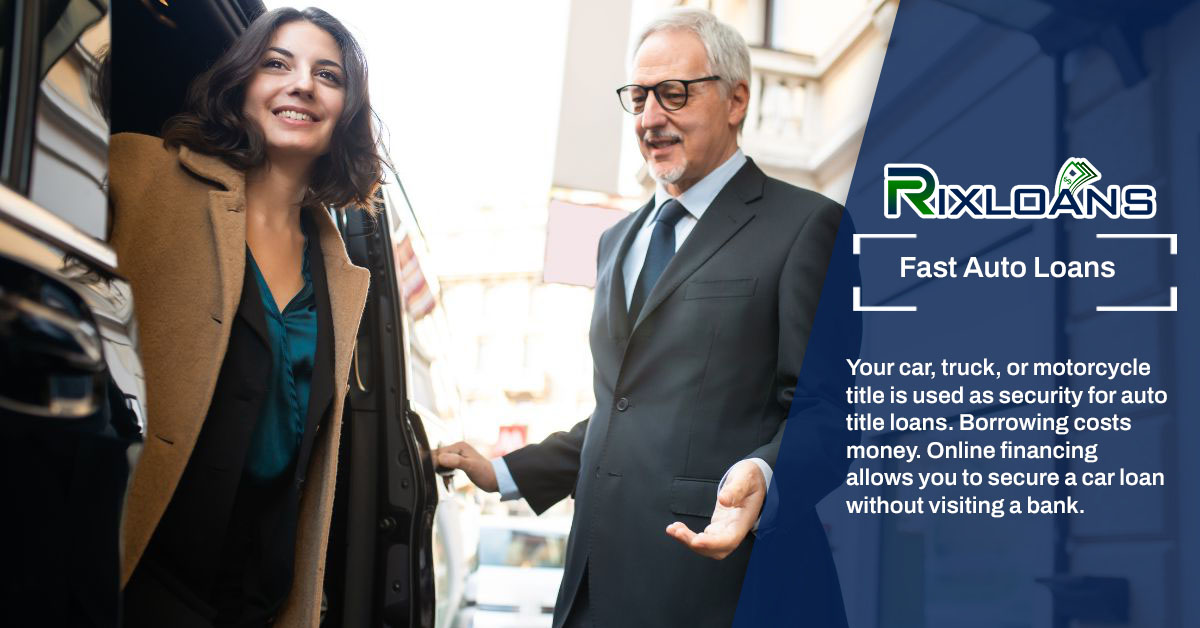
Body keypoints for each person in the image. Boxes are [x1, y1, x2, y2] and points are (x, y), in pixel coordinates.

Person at [435, 8, 858, 628]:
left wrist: (768, 473)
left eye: (674, 94)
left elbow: (834, 409)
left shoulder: (806, 227)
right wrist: (502, 470)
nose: (650, 118)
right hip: (593, 588)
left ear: (736, 99)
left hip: (721, 589)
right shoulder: (616, 240)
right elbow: (627, 409)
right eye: (637, 97)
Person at [106, 7, 381, 627]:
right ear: (242, 83)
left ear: (346, 114)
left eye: (328, 75)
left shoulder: (340, 274)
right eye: (277, 63)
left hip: (252, 602)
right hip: (134, 573)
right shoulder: (141, 174)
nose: (302, 84)